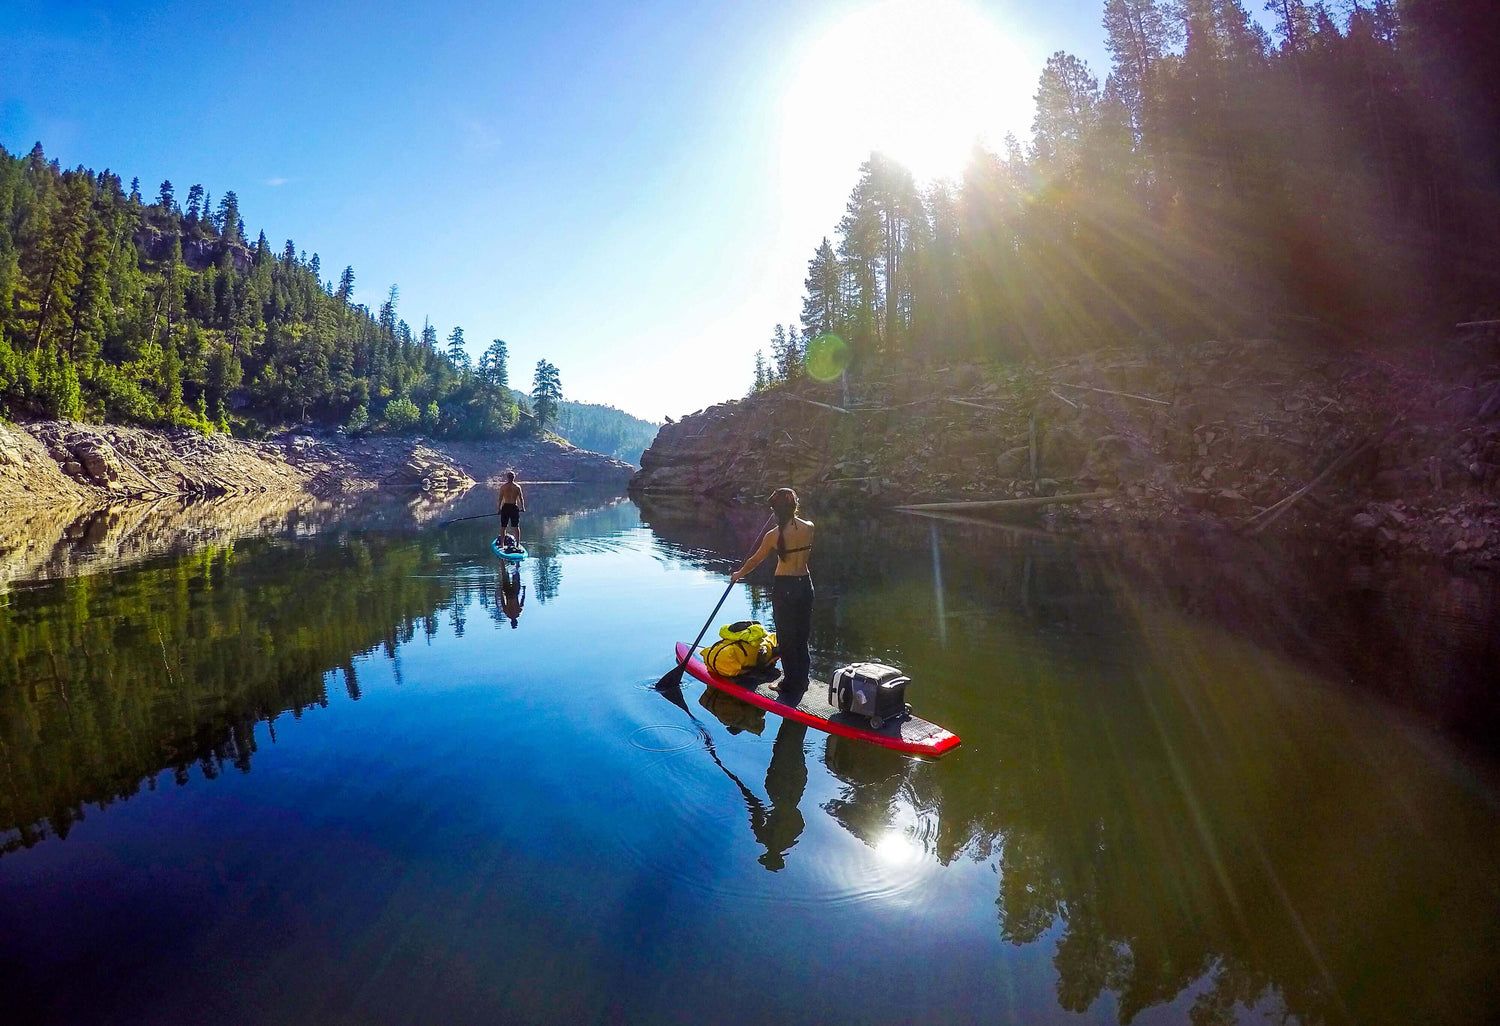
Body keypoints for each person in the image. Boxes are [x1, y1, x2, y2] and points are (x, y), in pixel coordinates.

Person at [730, 488, 814, 701]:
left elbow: (755, 560)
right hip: (805, 585)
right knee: (801, 636)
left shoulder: (773, 536)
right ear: (795, 506)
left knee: (786, 636)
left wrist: (739, 574)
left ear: (776, 511)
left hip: (785, 587)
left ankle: (788, 684)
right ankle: (802, 680)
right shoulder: (809, 528)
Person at [497, 470, 526, 542]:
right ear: (514, 478)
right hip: (514, 507)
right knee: (516, 526)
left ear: (507, 478)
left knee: (503, 527)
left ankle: (502, 545)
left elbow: (500, 499)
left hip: (505, 507)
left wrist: (499, 509)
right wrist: (523, 507)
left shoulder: (503, 487)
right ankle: (517, 544)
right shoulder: (517, 487)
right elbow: (521, 498)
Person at [500, 564, 526, 628]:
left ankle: (516, 562)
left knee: (516, 576)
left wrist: (524, 591)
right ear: (511, 622)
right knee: (505, 575)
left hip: (514, 592)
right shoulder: (508, 614)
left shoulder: (518, 613)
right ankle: (502, 560)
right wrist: (501, 593)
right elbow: (502, 602)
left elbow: (522, 601)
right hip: (508, 593)